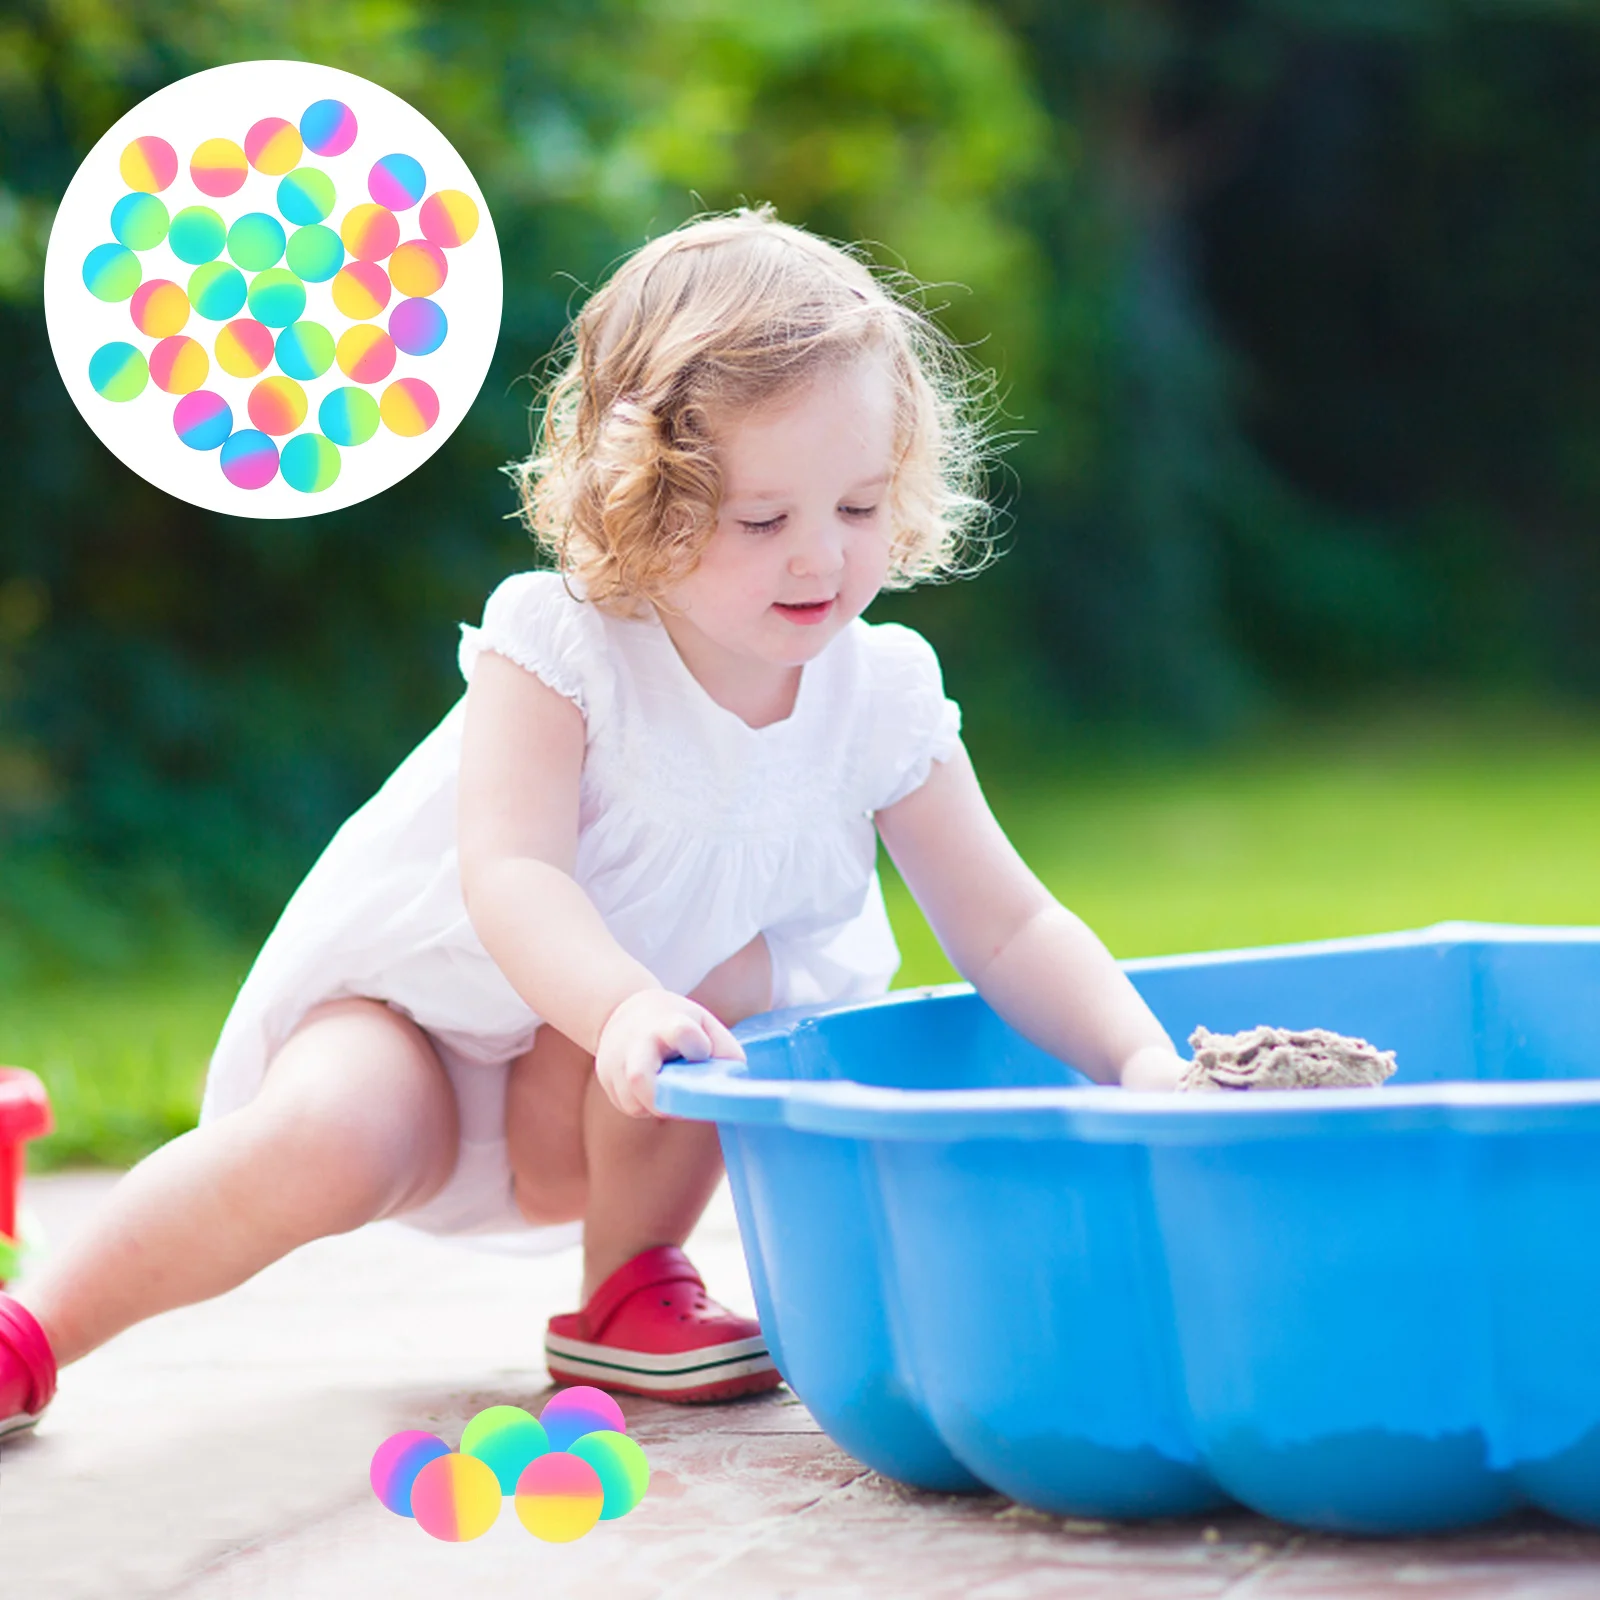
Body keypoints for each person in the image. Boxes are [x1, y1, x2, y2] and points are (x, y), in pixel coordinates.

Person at [0, 204, 1186, 1435]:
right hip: (434, 1027)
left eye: (858, 506)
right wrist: (614, 999)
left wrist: (1139, 1058)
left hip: (621, 1107)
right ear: (646, 498)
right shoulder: (562, 644)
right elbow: (512, 872)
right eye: (763, 519)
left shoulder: (876, 693)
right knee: (321, 1136)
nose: (819, 559)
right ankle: (35, 1334)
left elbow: (1006, 924)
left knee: (728, 965)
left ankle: (623, 1286)